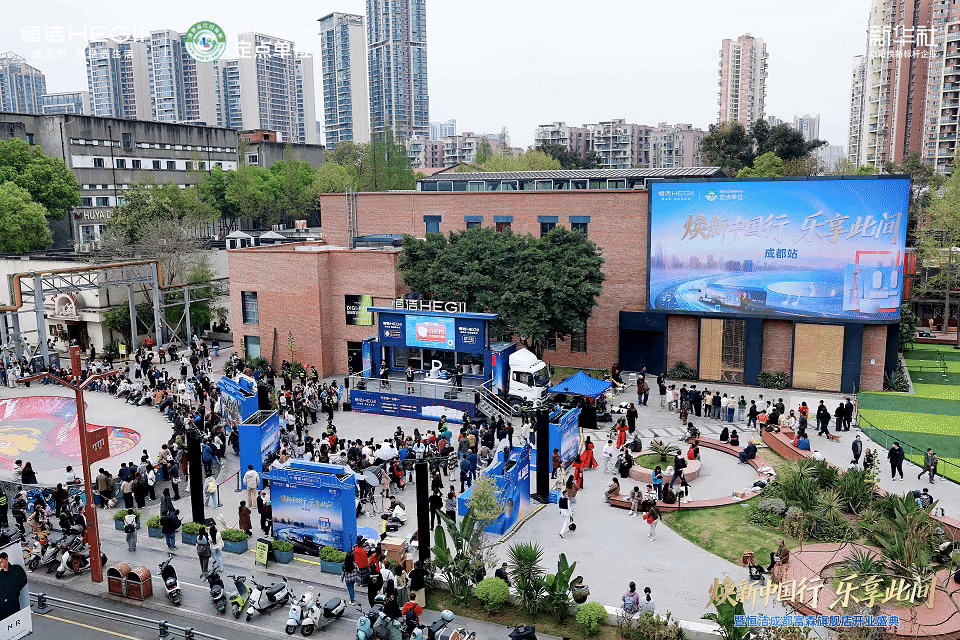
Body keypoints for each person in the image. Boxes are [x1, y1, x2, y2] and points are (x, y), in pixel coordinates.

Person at [0, 552, 27, 620]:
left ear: (6, 559)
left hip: (13, 604)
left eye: (1, 562)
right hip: (2, 609)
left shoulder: (17, 569)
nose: (0, 565)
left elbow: (23, 580)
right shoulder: (0, 574)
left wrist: (14, 592)